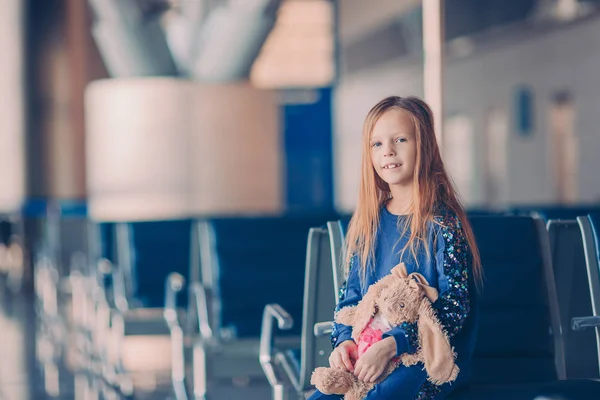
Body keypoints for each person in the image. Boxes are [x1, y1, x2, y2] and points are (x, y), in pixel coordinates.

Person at [309, 96, 482, 399]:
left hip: (428, 360)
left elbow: (455, 310)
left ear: (423, 145)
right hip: (370, 353)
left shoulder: (443, 222)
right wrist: (345, 342)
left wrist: (394, 344)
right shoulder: (368, 223)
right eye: (377, 144)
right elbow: (349, 301)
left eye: (400, 139)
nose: (387, 150)